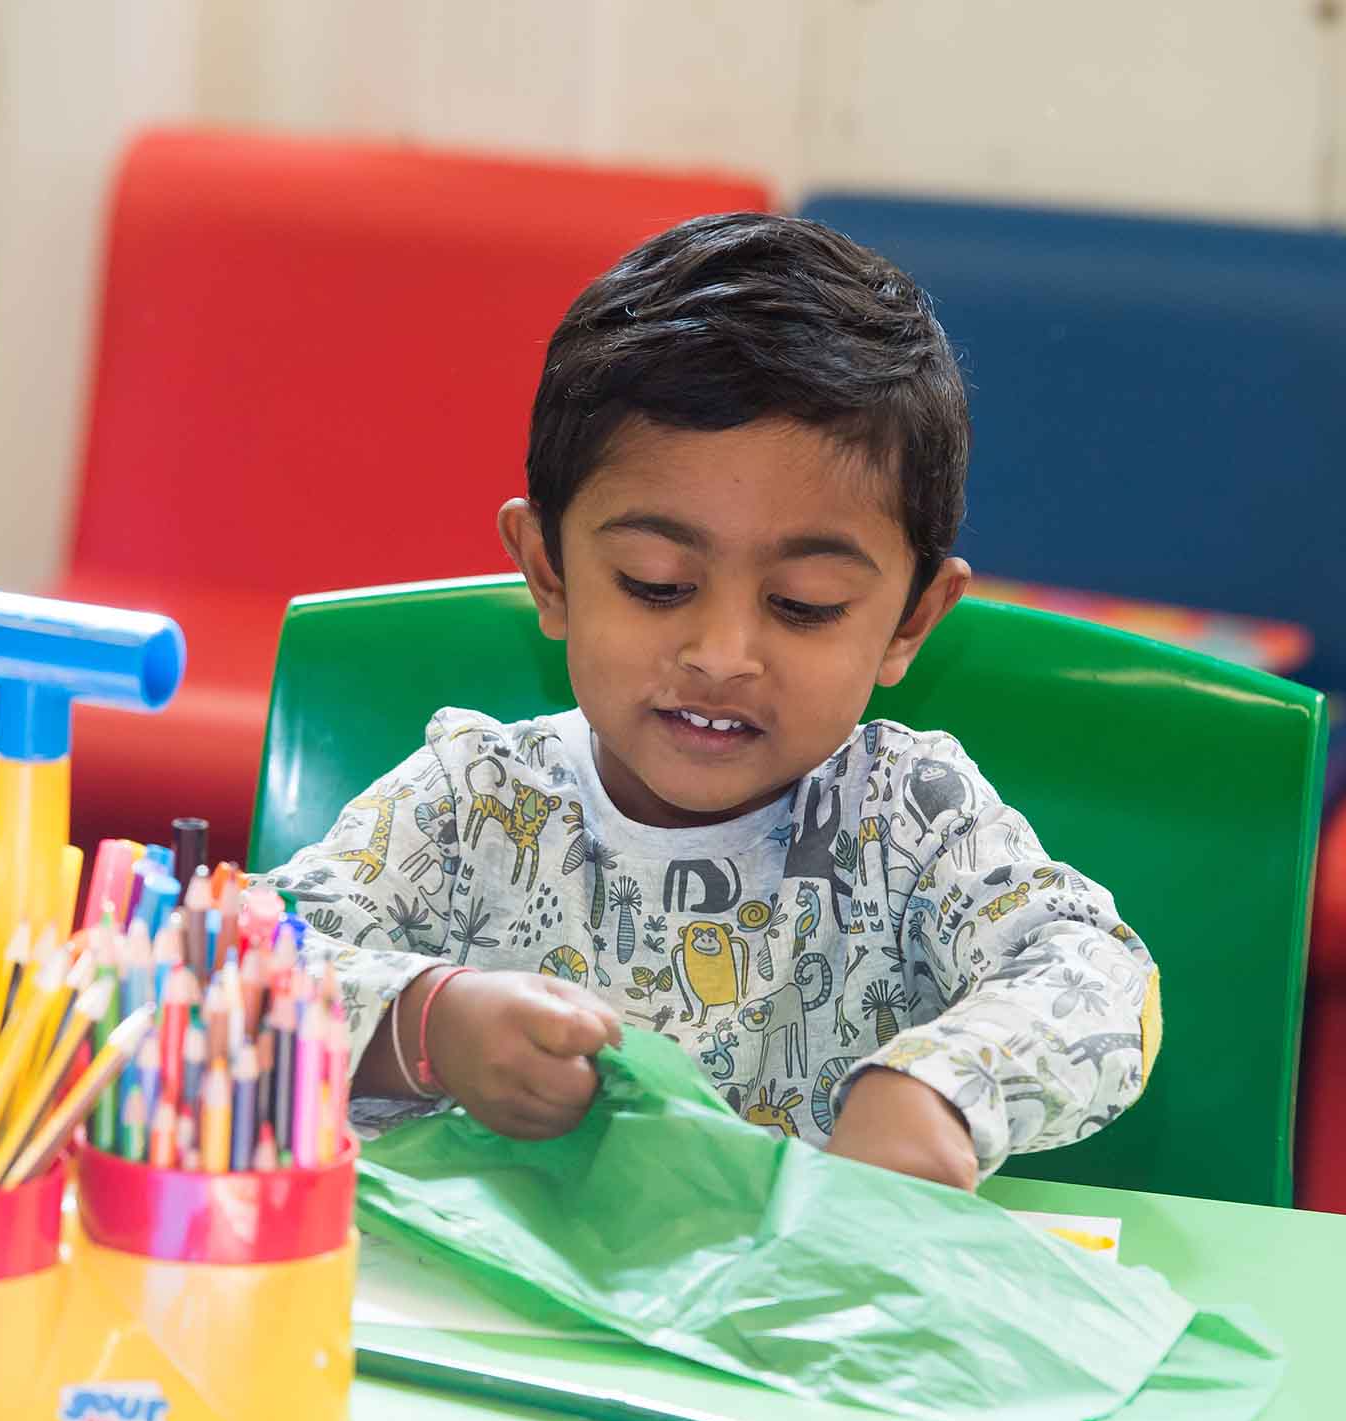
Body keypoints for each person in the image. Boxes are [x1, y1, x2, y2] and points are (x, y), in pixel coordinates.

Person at [256, 213, 1157, 1190]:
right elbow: (224, 972)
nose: (722, 655)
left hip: (803, 1332)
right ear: (548, 574)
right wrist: (422, 1022)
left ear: (910, 622)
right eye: (655, 583)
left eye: (803, 606)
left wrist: (939, 1086)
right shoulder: (473, 807)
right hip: (507, 1329)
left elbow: (1096, 975)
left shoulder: (908, 819)